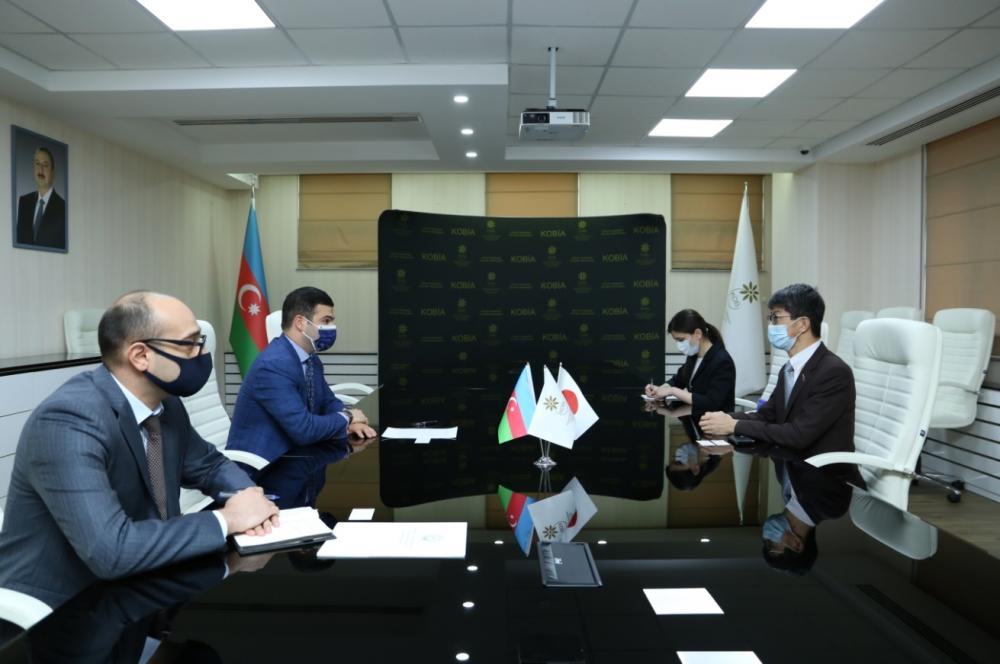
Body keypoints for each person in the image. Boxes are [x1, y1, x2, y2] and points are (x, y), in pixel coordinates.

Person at [0, 292, 279, 608]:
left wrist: (246, 495)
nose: (202, 354)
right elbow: (111, 551)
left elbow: (209, 465)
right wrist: (227, 520)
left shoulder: (166, 404)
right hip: (60, 609)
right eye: (190, 344)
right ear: (141, 355)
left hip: (144, 583)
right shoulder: (68, 420)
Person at [699, 284, 856, 572]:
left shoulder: (833, 372)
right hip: (797, 459)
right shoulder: (791, 368)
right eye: (771, 318)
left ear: (802, 324)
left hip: (821, 468)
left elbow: (799, 435)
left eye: (776, 318)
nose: (770, 325)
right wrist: (723, 419)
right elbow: (768, 415)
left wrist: (734, 425)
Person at [227, 287, 377, 509]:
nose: (331, 328)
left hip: (298, 460)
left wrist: (349, 421)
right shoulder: (273, 365)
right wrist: (346, 417)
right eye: (325, 321)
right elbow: (303, 429)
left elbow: (327, 400)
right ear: (300, 322)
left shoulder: (310, 358)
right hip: (263, 475)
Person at [644, 309, 735, 418]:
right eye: (676, 340)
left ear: (698, 333)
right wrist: (659, 389)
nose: (679, 345)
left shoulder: (722, 361)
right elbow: (678, 380)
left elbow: (711, 403)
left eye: (681, 340)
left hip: (717, 424)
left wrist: (672, 391)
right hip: (695, 419)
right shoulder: (693, 356)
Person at [15, 146, 67, 249]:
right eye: (37, 164)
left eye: (45, 165)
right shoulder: (24, 202)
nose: (40, 169)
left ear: (53, 172)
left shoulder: (63, 207)